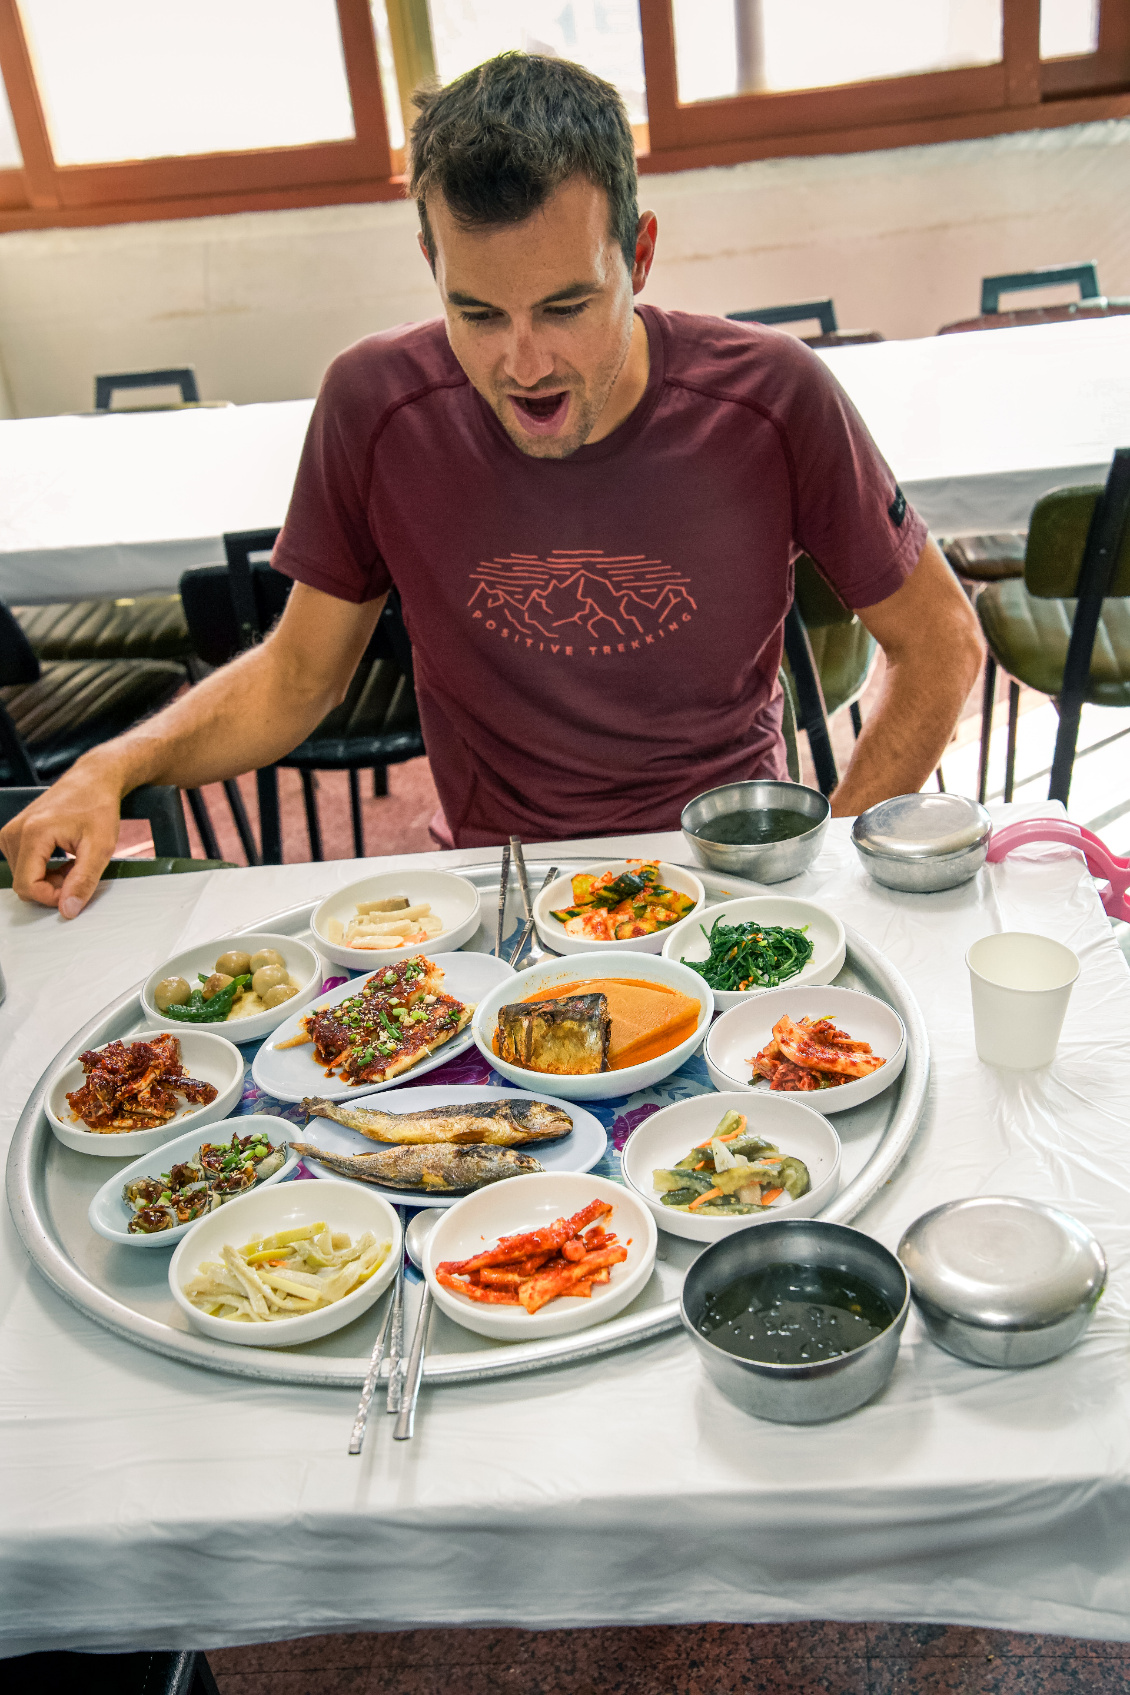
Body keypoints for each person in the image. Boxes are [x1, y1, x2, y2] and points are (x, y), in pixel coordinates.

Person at [1, 52, 982, 918]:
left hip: (723, 868)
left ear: (637, 256)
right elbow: (298, 677)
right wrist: (108, 767)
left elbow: (940, 638)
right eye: (475, 313)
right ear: (428, 262)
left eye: (565, 307)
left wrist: (837, 865)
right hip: (499, 886)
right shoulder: (372, 404)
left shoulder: (771, 395)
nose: (522, 364)